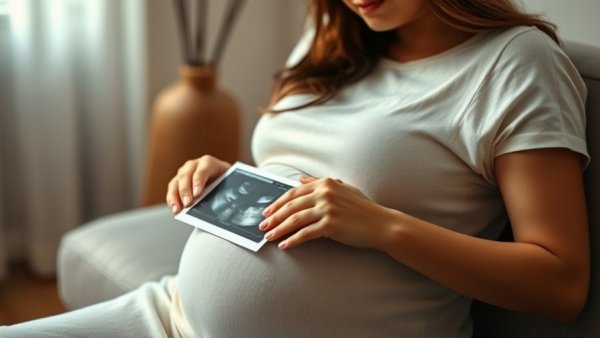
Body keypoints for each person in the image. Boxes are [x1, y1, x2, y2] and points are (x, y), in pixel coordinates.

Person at [1, 0, 590, 337]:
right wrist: (231, 174)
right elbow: (300, 169)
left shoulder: (516, 62)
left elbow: (561, 283)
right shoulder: (335, 36)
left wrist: (382, 224)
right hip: (173, 316)